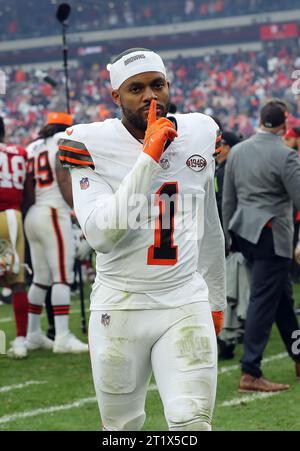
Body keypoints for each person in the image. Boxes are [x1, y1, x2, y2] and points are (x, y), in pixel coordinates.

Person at [59, 48, 226, 431]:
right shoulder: (89, 141)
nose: (151, 96)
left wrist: (215, 299)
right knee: (121, 428)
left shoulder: (200, 131)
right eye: (136, 88)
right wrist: (148, 156)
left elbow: (210, 226)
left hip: (184, 298)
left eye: (157, 85)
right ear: (116, 96)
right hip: (119, 304)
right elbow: (102, 234)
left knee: (191, 423)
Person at [222, 99, 300, 392]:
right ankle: (250, 371)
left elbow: (228, 198)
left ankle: (298, 354)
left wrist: (228, 235)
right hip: (272, 234)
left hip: (244, 232)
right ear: (284, 123)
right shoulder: (286, 155)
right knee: (263, 301)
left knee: (281, 301)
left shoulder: (238, 150)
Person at [24, 112, 88, 354]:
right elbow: (62, 178)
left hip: (33, 214)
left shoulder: (32, 146)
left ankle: (33, 334)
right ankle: (62, 336)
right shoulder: (64, 139)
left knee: (41, 278)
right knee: (62, 276)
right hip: (53, 211)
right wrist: (78, 210)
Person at [0, 116, 34, 358]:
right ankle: (20, 340)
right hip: (13, 216)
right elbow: (29, 191)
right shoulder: (20, 152)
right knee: (17, 278)